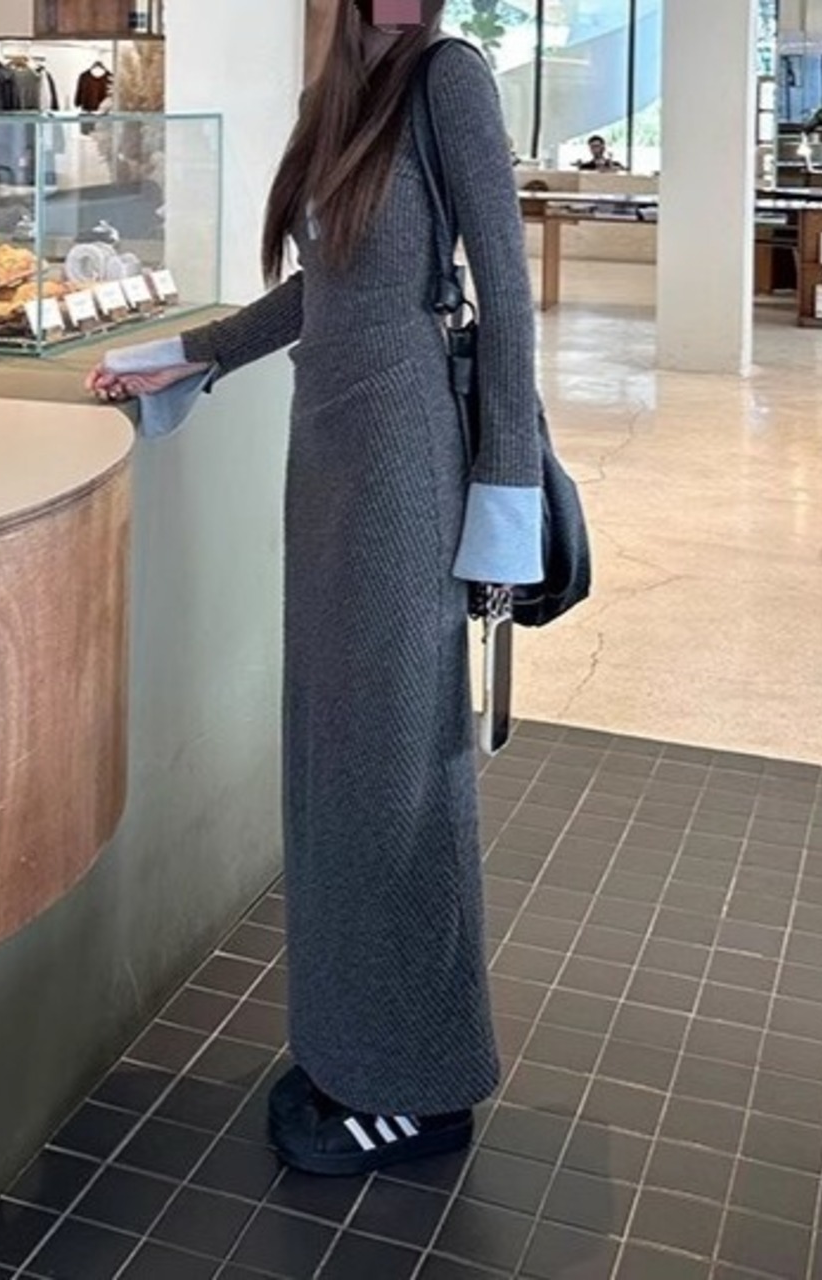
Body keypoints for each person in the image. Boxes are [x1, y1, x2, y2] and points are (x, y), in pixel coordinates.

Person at [87, 0, 543, 1177]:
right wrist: (191, 355)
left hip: (403, 474)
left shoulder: (447, 80)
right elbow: (325, 292)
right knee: (336, 770)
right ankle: (349, 1046)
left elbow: (507, 296)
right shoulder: (338, 95)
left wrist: (503, 504)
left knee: (394, 776)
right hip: (331, 466)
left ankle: (419, 1085)